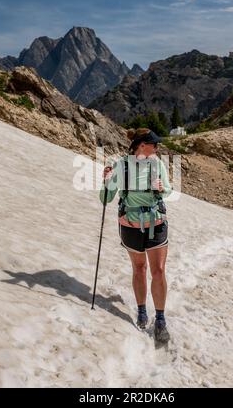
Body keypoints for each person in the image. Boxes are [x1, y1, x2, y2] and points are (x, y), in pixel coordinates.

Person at [99, 128, 172, 343]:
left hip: (156, 222)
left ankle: (160, 319)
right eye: (154, 144)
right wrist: (107, 181)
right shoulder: (121, 166)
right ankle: (142, 310)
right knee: (140, 269)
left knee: (158, 271)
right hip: (130, 225)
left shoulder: (157, 164)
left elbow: (167, 190)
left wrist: (161, 188)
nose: (157, 148)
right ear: (141, 145)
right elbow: (105, 198)